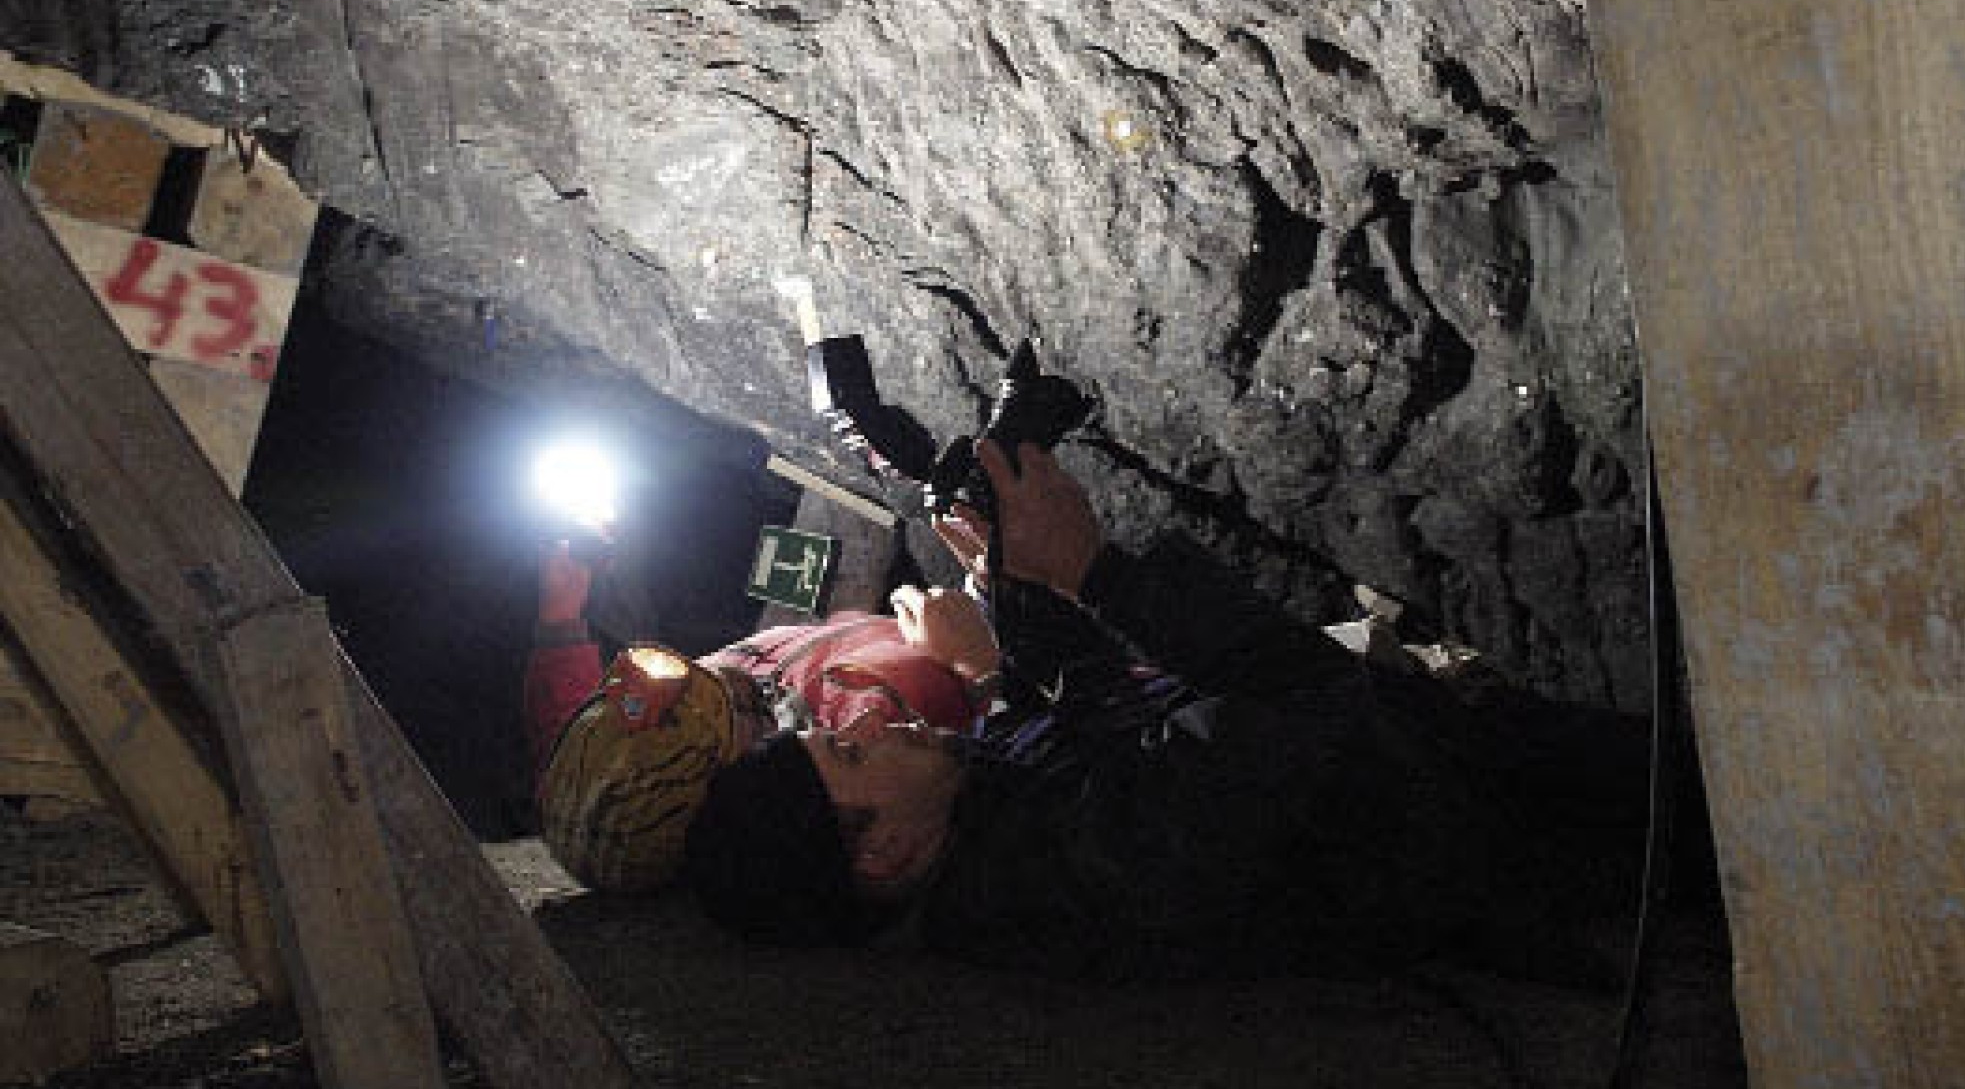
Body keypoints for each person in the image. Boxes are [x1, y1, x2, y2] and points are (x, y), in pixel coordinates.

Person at [682, 440, 1652, 985]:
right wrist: (1094, 572)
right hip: (1492, 814)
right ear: (882, 854)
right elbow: (1304, 703)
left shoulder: (993, 849)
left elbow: (1101, 743)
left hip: (1441, 780)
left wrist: (1016, 601)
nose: (868, 723)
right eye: (849, 759)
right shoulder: (1074, 878)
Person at [526, 535, 999, 893]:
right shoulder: (882, 737)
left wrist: (561, 610)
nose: (732, 682)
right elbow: (982, 738)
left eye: (705, 677)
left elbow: (573, 735)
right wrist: (984, 622)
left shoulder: (621, 760)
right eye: (741, 711)